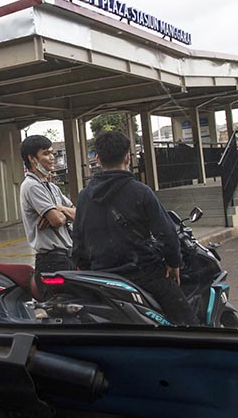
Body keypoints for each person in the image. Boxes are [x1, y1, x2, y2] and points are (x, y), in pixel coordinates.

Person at [71, 130, 198, 326]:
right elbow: (167, 234)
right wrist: (174, 264)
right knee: (187, 323)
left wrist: (91, 271)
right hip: (143, 275)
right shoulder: (141, 192)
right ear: (128, 158)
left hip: (102, 278)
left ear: (98, 159)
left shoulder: (84, 197)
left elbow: (78, 243)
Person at [18, 135, 75, 287]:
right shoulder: (32, 186)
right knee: (61, 300)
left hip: (67, 256)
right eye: (46, 153)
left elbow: (78, 214)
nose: (52, 157)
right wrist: (61, 214)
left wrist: (59, 208)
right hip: (52, 260)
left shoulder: (52, 187)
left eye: (52, 153)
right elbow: (57, 220)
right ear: (32, 159)